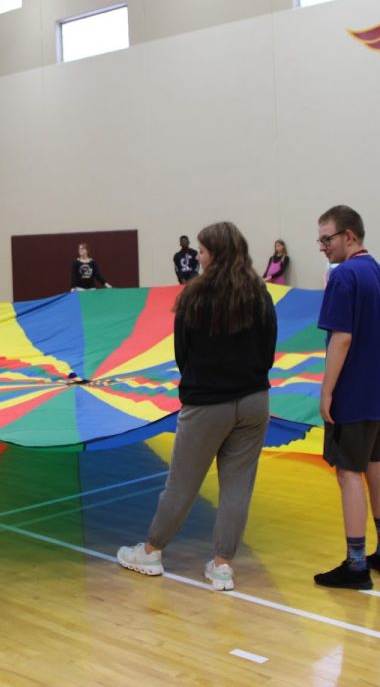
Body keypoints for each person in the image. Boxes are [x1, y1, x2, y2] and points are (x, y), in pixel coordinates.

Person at [117, 222, 276, 590]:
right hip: (254, 401)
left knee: (182, 483)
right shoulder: (259, 294)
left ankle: (152, 550)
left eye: (202, 251)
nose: (198, 257)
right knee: (237, 487)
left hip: (206, 404)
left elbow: (182, 355)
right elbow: (268, 351)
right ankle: (222, 566)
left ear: (215, 253)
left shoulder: (194, 297)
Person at [314, 205, 380, 589]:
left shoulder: (344, 275)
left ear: (349, 235)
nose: (322, 247)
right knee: (374, 466)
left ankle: (355, 565)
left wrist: (327, 390)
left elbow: (342, 337)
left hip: (354, 390)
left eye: (327, 238)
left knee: (348, 473)